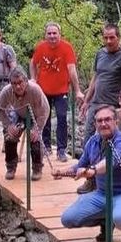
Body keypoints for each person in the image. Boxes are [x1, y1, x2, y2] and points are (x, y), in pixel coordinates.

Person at [53, 105, 121, 242]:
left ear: (116, 122)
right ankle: (106, 221)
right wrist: (62, 172)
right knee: (68, 219)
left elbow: (110, 162)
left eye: (107, 119)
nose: (103, 124)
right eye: (99, 121)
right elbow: (81, 165)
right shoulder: (93, 142)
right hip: (102, 194)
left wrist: (94, 170)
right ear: (95, 124)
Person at [30, 21, 80, 162]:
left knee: (62, 117)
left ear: (59, 34)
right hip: (43, 90)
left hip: (61, 90)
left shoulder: (67, 47)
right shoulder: (41, 47)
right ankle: (45, 146)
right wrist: (33, 79)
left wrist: (77, 90)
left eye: (54, 33)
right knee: (44, 118)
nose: (52, 36)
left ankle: (61, 149)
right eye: (49, 33)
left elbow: (72, 69)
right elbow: (33, 63)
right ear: (45, 35)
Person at [80, 23, 121, 137]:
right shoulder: (100, 53)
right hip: (96, 103)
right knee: (89, 138)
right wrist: (86, 101)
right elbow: (95, 78)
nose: (108, 41)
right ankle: (89, 156)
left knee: (110, 139)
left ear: (118, 37)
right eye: (105, 38)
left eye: (112, 37)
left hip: (113, 106)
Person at [0, 67, 50, 180]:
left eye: (20, 82)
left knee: (35, 138)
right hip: (19, 113)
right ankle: (10, 167)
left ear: (26, 81)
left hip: (36, 115)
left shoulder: (35, 90)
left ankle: (37, 168)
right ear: (10, 83)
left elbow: (44, 110)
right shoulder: (6, 91)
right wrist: (8, 125)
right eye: (14, 83)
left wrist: (38, 129)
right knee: (10, 137)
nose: (17, 86)